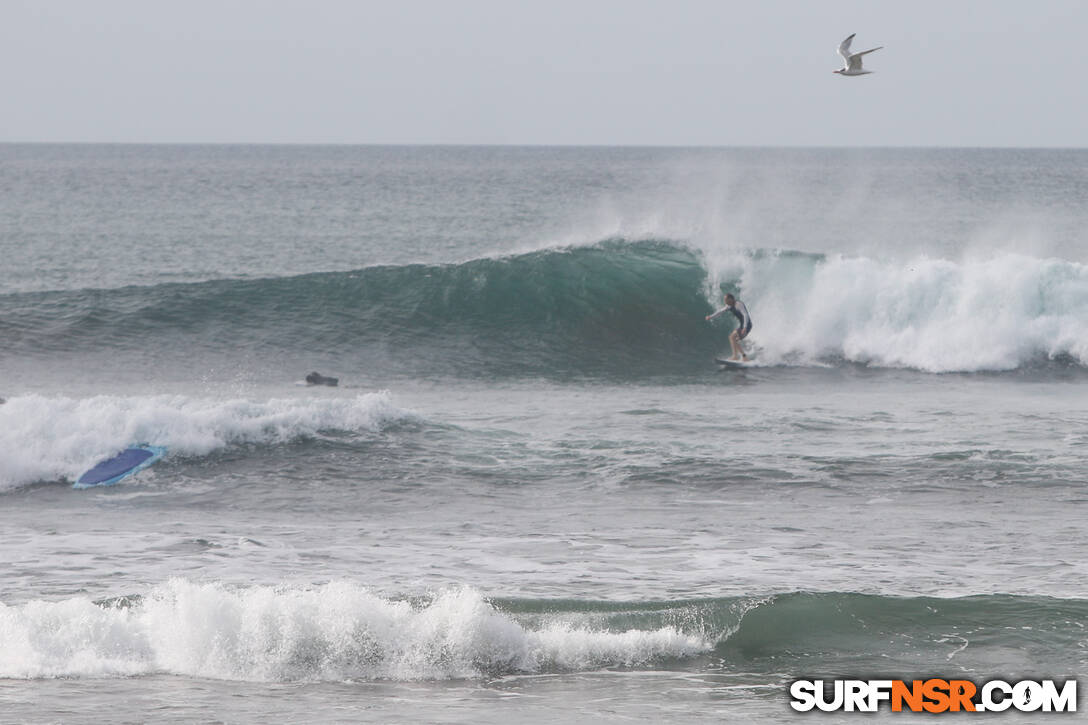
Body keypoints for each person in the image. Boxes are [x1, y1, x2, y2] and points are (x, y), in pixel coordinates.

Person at [705, 293, 752, 361]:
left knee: (733, 338)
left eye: (726, 300)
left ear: (731, 299)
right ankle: (738, 356)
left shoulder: (739, 304)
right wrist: (710, 317)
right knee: (733, 338)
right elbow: (720, 311)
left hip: (747, 325)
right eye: (725, 300)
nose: (725, 302)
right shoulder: (729, 306)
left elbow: (745, 315)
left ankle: (742, 357)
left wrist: (744, 327)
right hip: (742, 326)